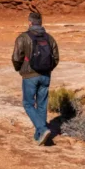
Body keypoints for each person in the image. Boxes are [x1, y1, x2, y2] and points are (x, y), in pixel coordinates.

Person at [12, 10, 59, 145]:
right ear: (41, 23)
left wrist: (19, 69)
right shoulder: (49, 38)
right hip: (45, 75)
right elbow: (56, 58)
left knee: (28, 103)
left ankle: (42, 129)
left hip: (30, 76)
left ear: (30, 22)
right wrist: (48, 69)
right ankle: (40, 136)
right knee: (42, 104)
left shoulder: (23, 38)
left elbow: (16, 57)